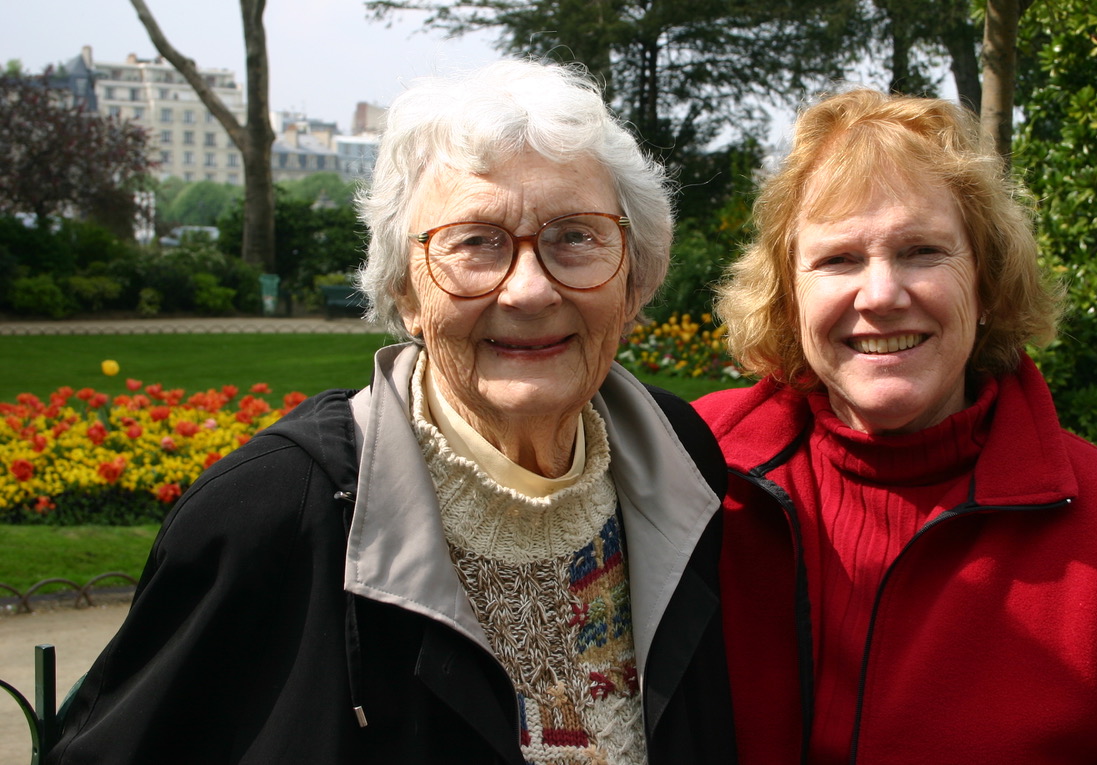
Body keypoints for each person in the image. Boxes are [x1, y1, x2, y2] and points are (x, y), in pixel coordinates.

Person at [50, 61, 735, 765]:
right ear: (405, 291)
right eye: (475, 241)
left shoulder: (683, 467)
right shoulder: (277, 514)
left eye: (575, 236)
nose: (529, 289)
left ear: (634, 277)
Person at [695, 87, 1097, 764]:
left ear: (987, 280)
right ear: (789, 292)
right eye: (839, 259)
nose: (881, 293)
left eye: (921, 250)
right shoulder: (696, 471)